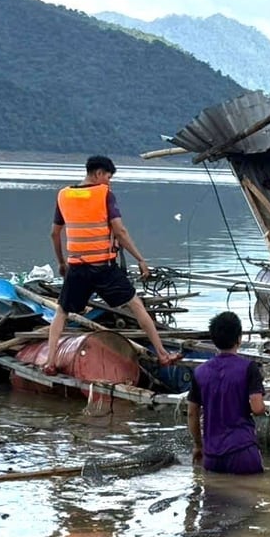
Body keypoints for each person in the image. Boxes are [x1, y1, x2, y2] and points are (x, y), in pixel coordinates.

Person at [44, 155, 179, 374]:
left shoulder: (64, 195)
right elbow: (120, 230)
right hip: (104, 267)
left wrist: (61, 263)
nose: (109, 182)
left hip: (77, 267)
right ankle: (163, 354)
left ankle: (49, 362)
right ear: (98, 174)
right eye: (108, 176)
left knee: (62, 312)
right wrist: (141, 259)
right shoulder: (104, 195)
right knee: (135, 305)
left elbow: (54, 234)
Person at [187, 311, 267, 475]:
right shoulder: (248, 368)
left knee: (214, 499)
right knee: (252, 495)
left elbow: (191, 414)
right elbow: (258, 408)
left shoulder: (200, 372)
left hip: (212, 457)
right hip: (243, 452)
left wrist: (198, 446)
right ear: (239, 338)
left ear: (213, 340)